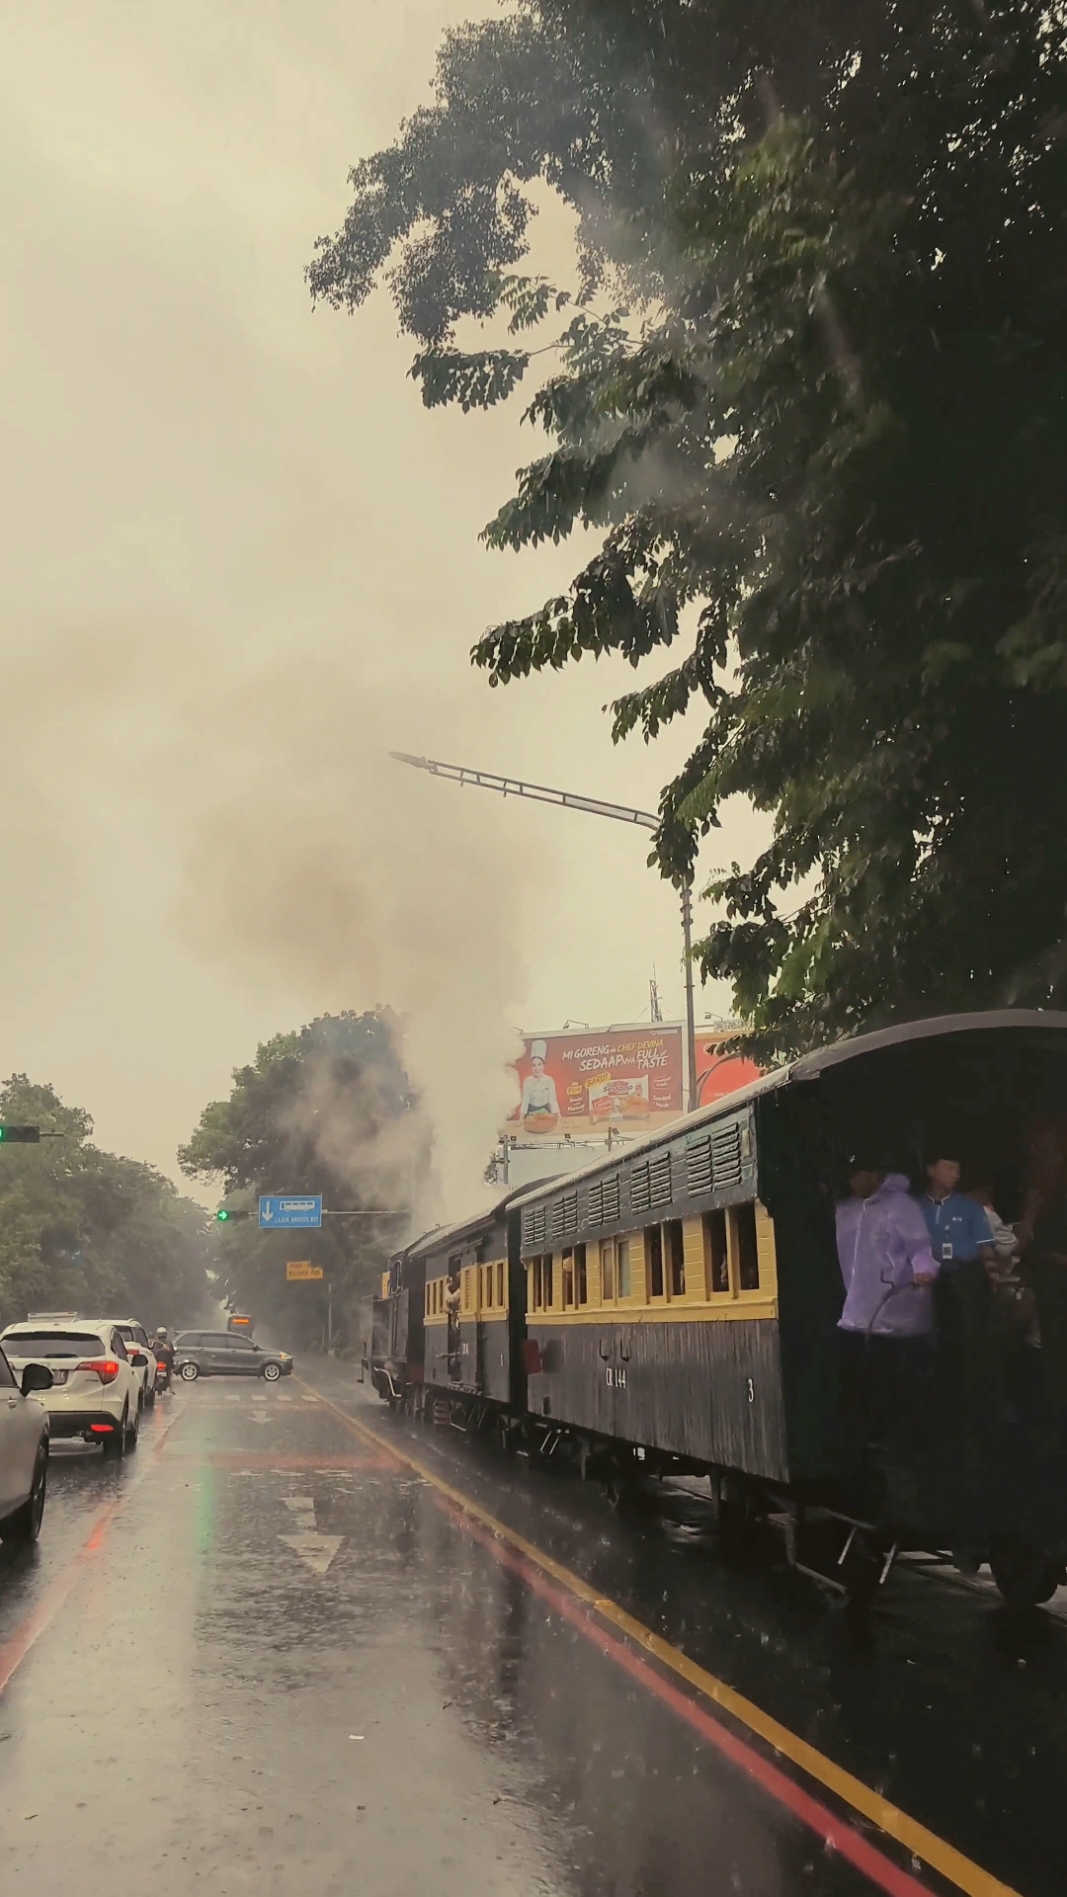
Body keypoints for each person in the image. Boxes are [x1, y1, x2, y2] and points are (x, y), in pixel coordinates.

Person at [834, 1158, 940, 1482]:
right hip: (860, 1313)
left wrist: (924, 1269)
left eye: (858, 1174)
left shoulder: (899, 1205)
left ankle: (905, 1448)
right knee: (869, 1382)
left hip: (898, 1313)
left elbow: (920, 1245)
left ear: (873, 1172)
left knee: (899, 1381)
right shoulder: (848, 1209)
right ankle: (875, 1444)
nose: (854, 1182)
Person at [519, 1042, 562, 1127]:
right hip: (531, 1114)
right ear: (531, 1067)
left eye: (539, 1064)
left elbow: (552, 1100)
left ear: (543, 1066)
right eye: (534, 1065)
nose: (537, 1068)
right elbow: (525, 1100)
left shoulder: (549, 1080)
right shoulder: (527, 1081)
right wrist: (521, 1118)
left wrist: (559, 1116)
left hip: (545, 1112)